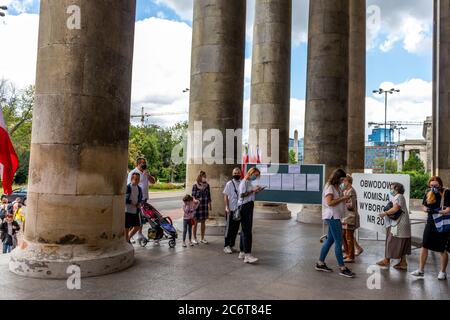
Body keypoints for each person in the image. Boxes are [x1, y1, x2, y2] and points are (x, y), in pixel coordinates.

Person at [315, 169, 355, 278]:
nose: (343, 181)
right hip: (332, 216)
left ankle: (320, 263)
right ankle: (342, 268)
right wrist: (343, 198)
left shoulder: (336, 186)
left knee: (330, 240)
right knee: (339, 241)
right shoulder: (329, 187)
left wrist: (344, 199)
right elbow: (330, 203)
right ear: (337, 177)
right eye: (341, 179)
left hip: (336, 216)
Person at [411, 176, 450, 280]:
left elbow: (448, 210)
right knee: (425, 245)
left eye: (436, 185)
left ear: (440, 184)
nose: (433, 187)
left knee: (442, 248)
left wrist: (437, 211)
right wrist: (427, 210)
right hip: (430, 222)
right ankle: (420, 270)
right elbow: (423, 206)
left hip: (442, 223)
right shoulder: (428, 192)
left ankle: (442, 272)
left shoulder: (447, 193)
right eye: (431, 185)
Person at [377, 182, 412, 270]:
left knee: (391, 242)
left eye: (392, 188)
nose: (391, 190)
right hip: (402, 224)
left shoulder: (399, 196)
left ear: (397, 189)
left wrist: (384, 213)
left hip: (399, 225)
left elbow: (396, 208)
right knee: (402, 243)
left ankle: (386, 260)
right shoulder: (398, 197)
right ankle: (403, 262)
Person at [237, 167, 264, 264]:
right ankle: (248, 255)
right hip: (245, 206)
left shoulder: (249, 182)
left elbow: (248, 194)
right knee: (247, 230)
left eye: (257, 176)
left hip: (248, 205)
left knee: (244, 230)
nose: (256, 177)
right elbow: (242, 195)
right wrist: (253, 191)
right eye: (255, 175)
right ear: (250, 173)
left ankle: (242, 252)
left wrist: (257, 190)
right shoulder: (244, 182)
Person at [127, 157, 156, 245]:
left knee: (141, 218)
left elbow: (153, 182)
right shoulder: (133, 173)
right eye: (142, 163)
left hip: (144, 199)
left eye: (145, 162)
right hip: (135, 200)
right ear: (137, 164)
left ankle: (139, 233)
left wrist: (148, 175)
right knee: (132, 217)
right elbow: (129, 186)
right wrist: (132, 201)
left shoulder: (146, 172)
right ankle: (129, 236)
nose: (144, 164)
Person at [341, 175, 361, 263]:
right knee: (344, 236)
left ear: (348, 182)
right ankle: (347, 253)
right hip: (345, 217)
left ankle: (351, 256)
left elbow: (351, 205)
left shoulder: (351, 191)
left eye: (344, 181)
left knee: (349, 237)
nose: (342, 183)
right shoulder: (345, 190)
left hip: (350, 217)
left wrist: (341, 202)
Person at [223, 167, 242, 254]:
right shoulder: (229, 183)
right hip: (231, 209)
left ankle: (232, 245)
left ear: (240, 174)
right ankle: (226, 246)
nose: (236, 174)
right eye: (235, 172)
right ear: (232, 174)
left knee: (235, 229)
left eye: (238, 172)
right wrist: (227, 207)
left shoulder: (242, 183)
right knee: (229, 228)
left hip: (239, 210)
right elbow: (226, 196)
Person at [191, 171, 212, 244]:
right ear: (200, 177)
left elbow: (209, 196)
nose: (205, 178)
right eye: (204, 176)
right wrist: (195, 200)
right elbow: (192, 196)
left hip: (204, 206)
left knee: (203, 222)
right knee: (195, 222)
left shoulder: (207, 185)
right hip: (197, 206)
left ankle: (202, 238)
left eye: (205, 176)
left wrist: (210, 205)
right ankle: (194, 238)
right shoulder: (195, 185)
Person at [125, 172, 143, 243]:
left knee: (137, 226)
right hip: (127, 210)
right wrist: (133, 203)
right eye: (136, 179)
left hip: (135, 210)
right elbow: (125, 199)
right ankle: (126, 240)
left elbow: (140, 198)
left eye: (138, 179)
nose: (137, 181)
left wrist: (139, 204)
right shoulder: (128, 187)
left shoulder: (139, 188)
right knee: (126, 227)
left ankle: (127, 238)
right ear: (132, 179)